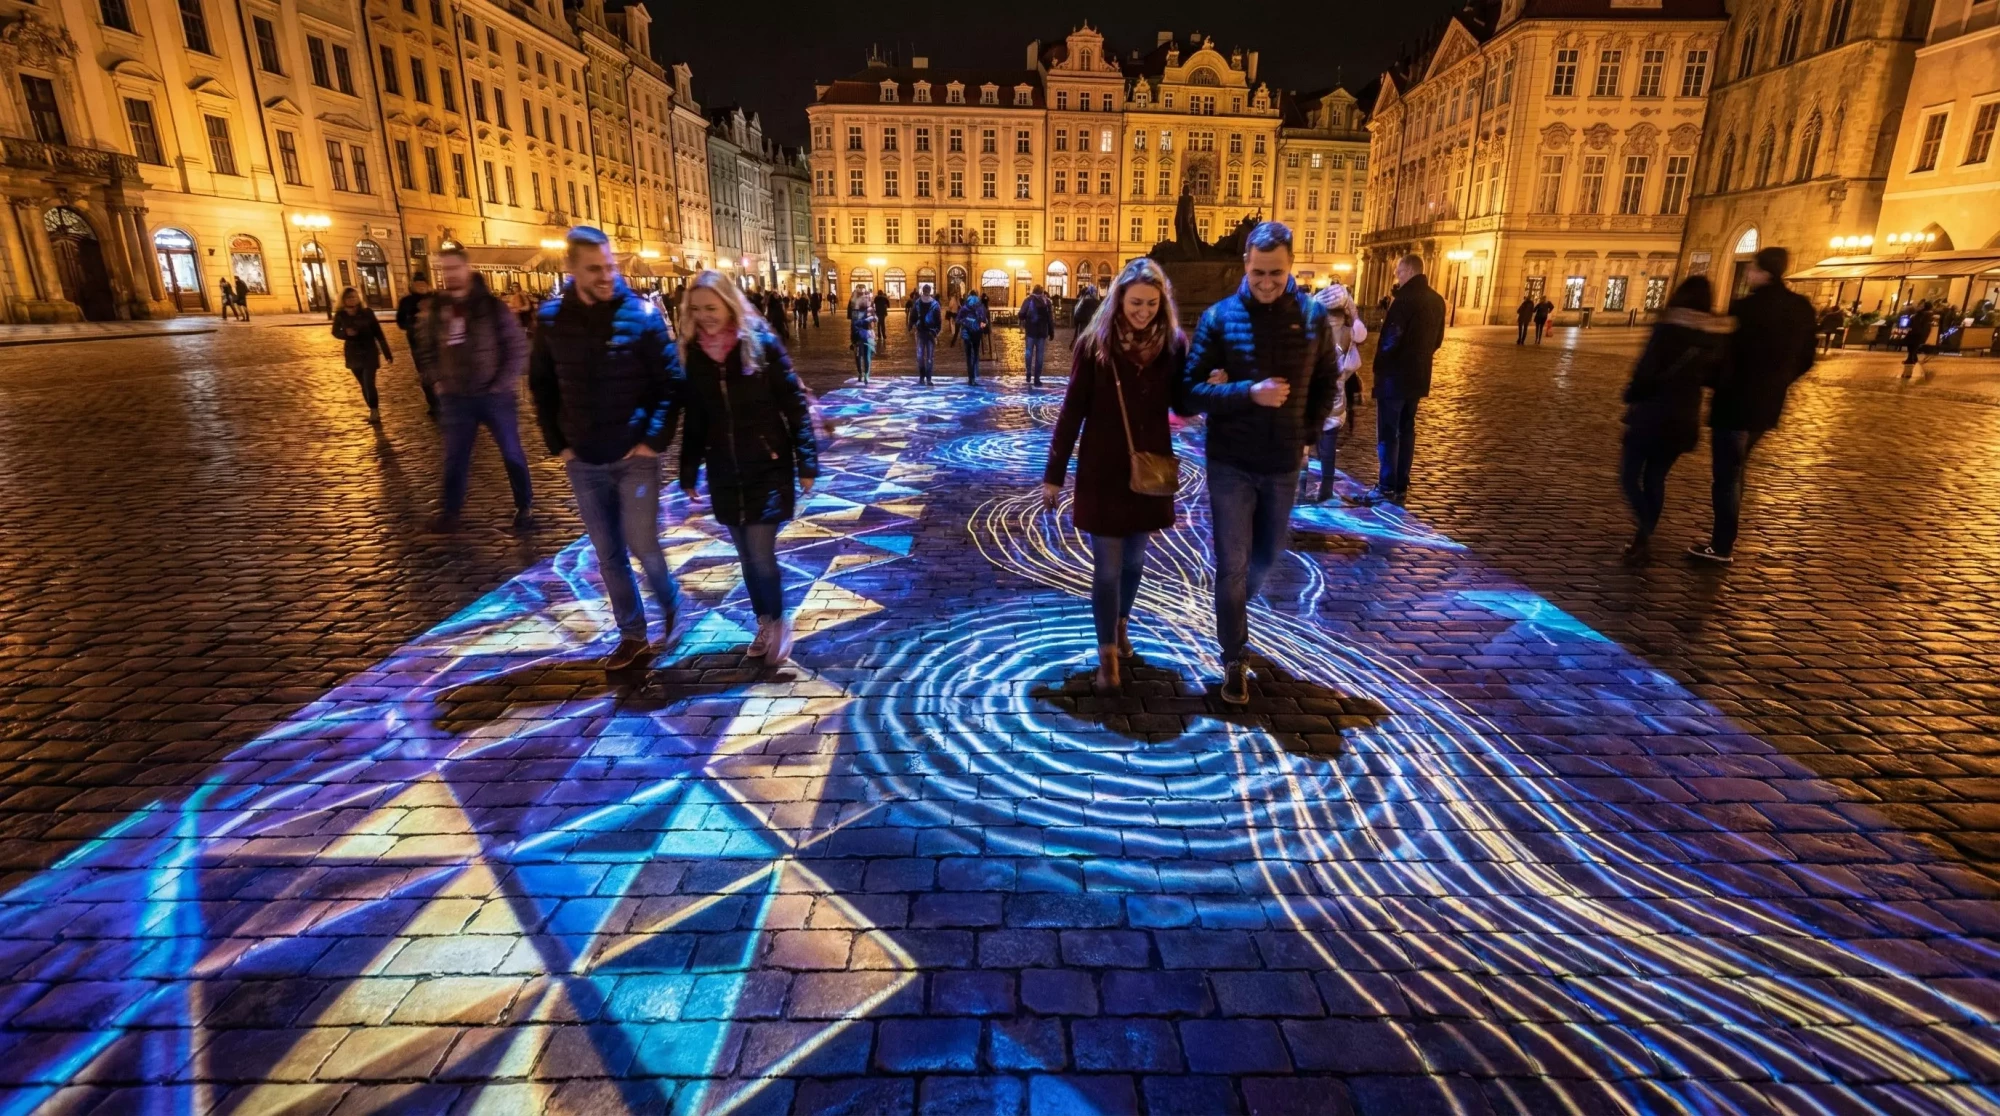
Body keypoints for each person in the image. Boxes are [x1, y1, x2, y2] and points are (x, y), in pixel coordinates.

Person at [1180, 222, 1345, 705]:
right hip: (1230, 460)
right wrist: (1245, 391)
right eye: (1257, 274)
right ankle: (1234, 654)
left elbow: (1326, 383)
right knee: (1232, 566)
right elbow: (1188, 394)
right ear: (1245, 267)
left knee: (1267, 556)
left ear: (1290, 265)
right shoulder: (1218, 317)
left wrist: (1308, 436)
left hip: (1282, 463)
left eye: (1275, 273)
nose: (1267, 282)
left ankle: (1230, 611)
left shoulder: (1313, 318)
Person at [527, 226, 682, 671]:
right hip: (585, 458)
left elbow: (671, 383)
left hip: (635, 457)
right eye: (595, 268)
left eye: (610, 266)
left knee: (641, 543)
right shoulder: (553, 320)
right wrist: (560, 444)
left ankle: (670, 601)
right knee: (608, 553)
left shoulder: (643, 315)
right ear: (570, 268)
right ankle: (632, 634)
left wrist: (652, 440)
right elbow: (541, 385)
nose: (606, 275)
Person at [1044, 259, 1189, 693]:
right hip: (1103, 470)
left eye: (1151, 303)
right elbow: (1072, 411)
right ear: (1118, 300)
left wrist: (1208, 387)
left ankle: (1122, 623)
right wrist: (1054, 475)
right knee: (1107, 568)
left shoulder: (1174, 345)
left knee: (1135, 561)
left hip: (1148, 471)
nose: (1142, 311)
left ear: (1162, 303)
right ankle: (1107, 653)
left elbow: (1182, 403)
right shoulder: (1095, 345)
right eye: (1134, 302)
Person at [677, 271, 820, 665]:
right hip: (724, 469)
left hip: (767, 465)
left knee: (760, 554)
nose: (705, 316)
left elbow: (794, 405)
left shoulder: (760, 344)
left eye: (712, 307)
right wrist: (688, 470)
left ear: (728, 302)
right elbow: (696, 419)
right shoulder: (695, 355)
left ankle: (777, 623)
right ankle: (765, 619)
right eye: (697, 309)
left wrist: (806, 461)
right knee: (744, 556)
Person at [1689, 245, 1816, 565]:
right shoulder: (1801, 308)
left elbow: (1721, 355)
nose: (1747, 272)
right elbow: (1806, 358)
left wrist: (1712, 380)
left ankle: (1721, 545)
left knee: (1728, 476)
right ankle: (1722, 541)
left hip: (1734, 402)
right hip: (1767, 405)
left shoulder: (1745, 309)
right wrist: (1779, 382)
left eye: (1752, 267)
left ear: (1764, 272)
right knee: (1737, 469)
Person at [413, 247, 535, 534]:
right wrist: (437, 379)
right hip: (456, 397)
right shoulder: (436, 309)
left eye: (454, 268)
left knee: (511, 452)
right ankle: (450, 511)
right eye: (445, 270)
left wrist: (501, 383)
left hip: (495, 396)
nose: (450, 275)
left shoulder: (492, 306)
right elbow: (426, 347)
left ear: (467, 269)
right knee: (455, 455)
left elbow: (516, 347)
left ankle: (525, 506)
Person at [1618, 276, 1729, 564]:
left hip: (1650, 414)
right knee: (1656, 478)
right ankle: (1643, 538)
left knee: (1629, 477)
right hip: (1684, 417)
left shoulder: (1667, 328)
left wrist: (1633, 391)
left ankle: (1645, 529)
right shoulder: (1714, 336)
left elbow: (1646, 369)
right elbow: (1716, 378)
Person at [1363, 254, 1446, 506]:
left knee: (1388, 433)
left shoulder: (1404, 300)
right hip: (1418, 377)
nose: (1396, 275)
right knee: (1407, 429)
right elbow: (1438, 340)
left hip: (1394, 378)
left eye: (1399, 271)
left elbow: (1390, 339)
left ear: (1409, 271)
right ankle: (1400, 483)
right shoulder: (1437, 300)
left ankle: (1387, 485)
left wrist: (1379, 369)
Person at [1310, 282, 1368, 503]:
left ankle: (1301, 489)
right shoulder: (1348, 333)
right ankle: (1326, 488)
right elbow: (1361, 333)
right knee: (1329, 445)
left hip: (1315, 396)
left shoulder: (1315, 331)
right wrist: (1352, 310)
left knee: (1309, 444)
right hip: (1336, 398)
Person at [331, 287, 393, 422]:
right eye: (349, 297)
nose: (352, 299)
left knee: (369, 383)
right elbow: (335, 332)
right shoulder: (341, 315)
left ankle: (375, 411)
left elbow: (378, 332)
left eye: (354, 297)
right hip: (353, 353)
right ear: (343, 300)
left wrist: (387, 352)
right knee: (363, 385)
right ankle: (372, 409)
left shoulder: (367, 312)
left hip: (369, 351)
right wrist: (345, 334)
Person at [396, 275, 439, 416]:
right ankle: (433, 403)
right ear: (412, 285)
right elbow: (400, 322)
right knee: (425, 374)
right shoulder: (407, 302)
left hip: (438, 343)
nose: (421, 286)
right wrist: (412, 324)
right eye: (417, 284)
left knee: (441, 372)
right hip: (417, 343)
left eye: (423, 283)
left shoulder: (436, 299)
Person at [1020, 284, 1055, 387]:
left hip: (1030, 331)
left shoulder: (1028, 300)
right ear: (1042, 292)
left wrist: (1026, 317)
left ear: (1033, 291)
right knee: (1039, 355)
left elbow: (1021, 314)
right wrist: (1051, 331)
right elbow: (1050, 319)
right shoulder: (1047, 301)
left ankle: (1028, 372)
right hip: (1042, 332)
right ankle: (1037, 378)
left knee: (1028, 352)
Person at [908, 284, 943, 385]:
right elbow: (938, 320)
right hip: (927, 333)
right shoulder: (932, 304)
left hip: (923, 332)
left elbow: (913, 316)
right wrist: (936, 331)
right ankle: (926, 378)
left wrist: (910, 325)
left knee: (922, 356)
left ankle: (924, 377)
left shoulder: (922, 303)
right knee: (928, 357)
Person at [956, 291, 990, 384]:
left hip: (966, 333)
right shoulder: (980, 307)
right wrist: (980, 325)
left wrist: (965, 322)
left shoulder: (965, 307)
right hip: (977, 333)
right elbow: (983, 320)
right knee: (975, 354)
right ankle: (974, 377)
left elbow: (958, 320)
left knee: (968, 355)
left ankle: (970, 377)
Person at [1901, 300, 1934, 378]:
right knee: (1913, 346)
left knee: (1912, 346)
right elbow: (1926, 326)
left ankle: (1911, 359)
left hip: (1915, 332)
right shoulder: (1926, 314)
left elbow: (1916, 322)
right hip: (1918, 332)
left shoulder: (1921, 314)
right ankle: (1912, 358)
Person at [850, 292, 877, 384]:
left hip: (868, 336)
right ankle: (860, 373)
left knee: (867, 356)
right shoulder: (855, 311)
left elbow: (876, 318)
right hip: (858, 337)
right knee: (858, 356)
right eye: (864, 298)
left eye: (867, 299)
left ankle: (866, 374)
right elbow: (854, 324)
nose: (866, 300)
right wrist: (865, 320)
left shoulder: (870, 309)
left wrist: (874, 318)